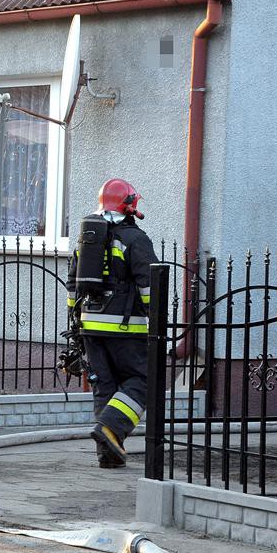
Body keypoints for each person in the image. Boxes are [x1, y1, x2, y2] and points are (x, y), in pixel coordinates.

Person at [67, 178, 157, 468]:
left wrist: (76, 324)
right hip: (124, 328)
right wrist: (156, 318)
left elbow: (73, 286)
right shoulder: (135, 239)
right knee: (141, 382)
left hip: (90, 325)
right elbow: (149, 285)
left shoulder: (87, 239)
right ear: (130, 205)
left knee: (104, 387)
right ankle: (110, 429)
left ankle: (108, 453)